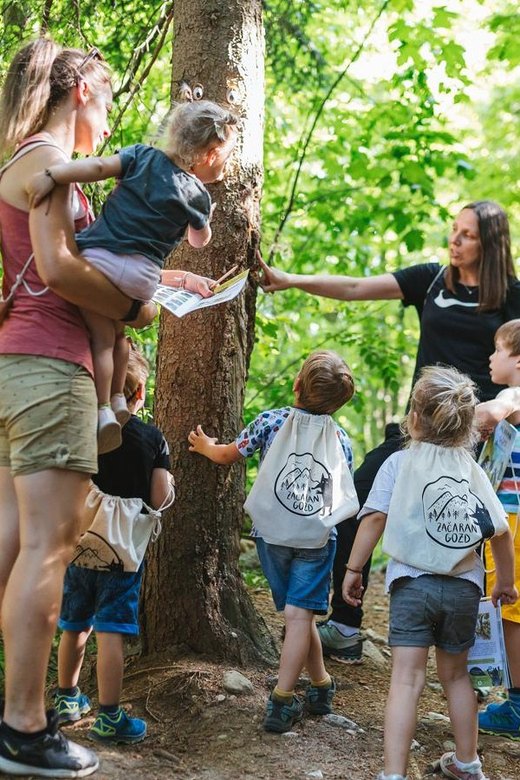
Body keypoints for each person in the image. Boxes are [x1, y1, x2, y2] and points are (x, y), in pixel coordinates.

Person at [0, 38, 208, 778]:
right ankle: (25, 730)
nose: (110, 114)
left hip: (23, 365)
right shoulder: (42, 158)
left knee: (12, 546)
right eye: (109, 97)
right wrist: (139, 306)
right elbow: (58, 269)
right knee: (48, 549)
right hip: (52, 369)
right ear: (82, 86)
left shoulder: (26, 162)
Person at [259, 200, 520, 664]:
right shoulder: (433, 280)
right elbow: (357, 286)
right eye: (454, 230)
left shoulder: (513, 298)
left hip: (478, 441)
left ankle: (479, 660)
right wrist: (289, 279)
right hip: (417, 433)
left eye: (468, 235)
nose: (454, 241)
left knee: (471, 533)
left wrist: (500, 408)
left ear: (491, 244)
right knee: (356, 499)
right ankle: (344, 623)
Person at [27, 99, 238, 453]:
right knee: (119, 335)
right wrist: (206, 217)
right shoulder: (199, 195)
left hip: (100, 257)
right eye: (228, 157)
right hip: (142, 278)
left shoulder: (141, 155)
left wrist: (53, 174)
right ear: (211, 154)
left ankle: (102, 411)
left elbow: (96, 168)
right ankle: (119, 402)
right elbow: (199, 241)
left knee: (100, 338)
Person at [342, 365, 517, 780]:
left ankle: (393, 774)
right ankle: (468, 763)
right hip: (463, 590)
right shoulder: (472, 469)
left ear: (414, 420)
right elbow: (501, 532)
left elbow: (372, 521)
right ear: (466, 426)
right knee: (457, 677)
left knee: (405, 680)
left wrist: (353, 569)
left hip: (412, 586)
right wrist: (505, 582)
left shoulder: (399, 463)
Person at [188, 350, 355, 733]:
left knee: (298, 615)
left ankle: (286, 698)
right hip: (316, 538)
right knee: (301, 615)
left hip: (272, 535)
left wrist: (204, 446)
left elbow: (229, 454)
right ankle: (318, 686)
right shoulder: (341, 439)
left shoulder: (272, 421)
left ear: (297, 385)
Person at [54, 342, 172, 743]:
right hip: (120, 555)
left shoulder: (82, 430)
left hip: (78, 546)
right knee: (111, 633)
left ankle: (67, 698)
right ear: (140, 394)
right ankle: (109, 716)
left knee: (73, 626)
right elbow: (159, 498)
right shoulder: (152, 439)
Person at [474, 319, 520, 739]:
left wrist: (455, 415)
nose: (491, 357)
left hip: (513, 524)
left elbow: (492, 409)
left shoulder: (515, 394)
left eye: (498, 350)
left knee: (509, 608)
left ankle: (517, 707)